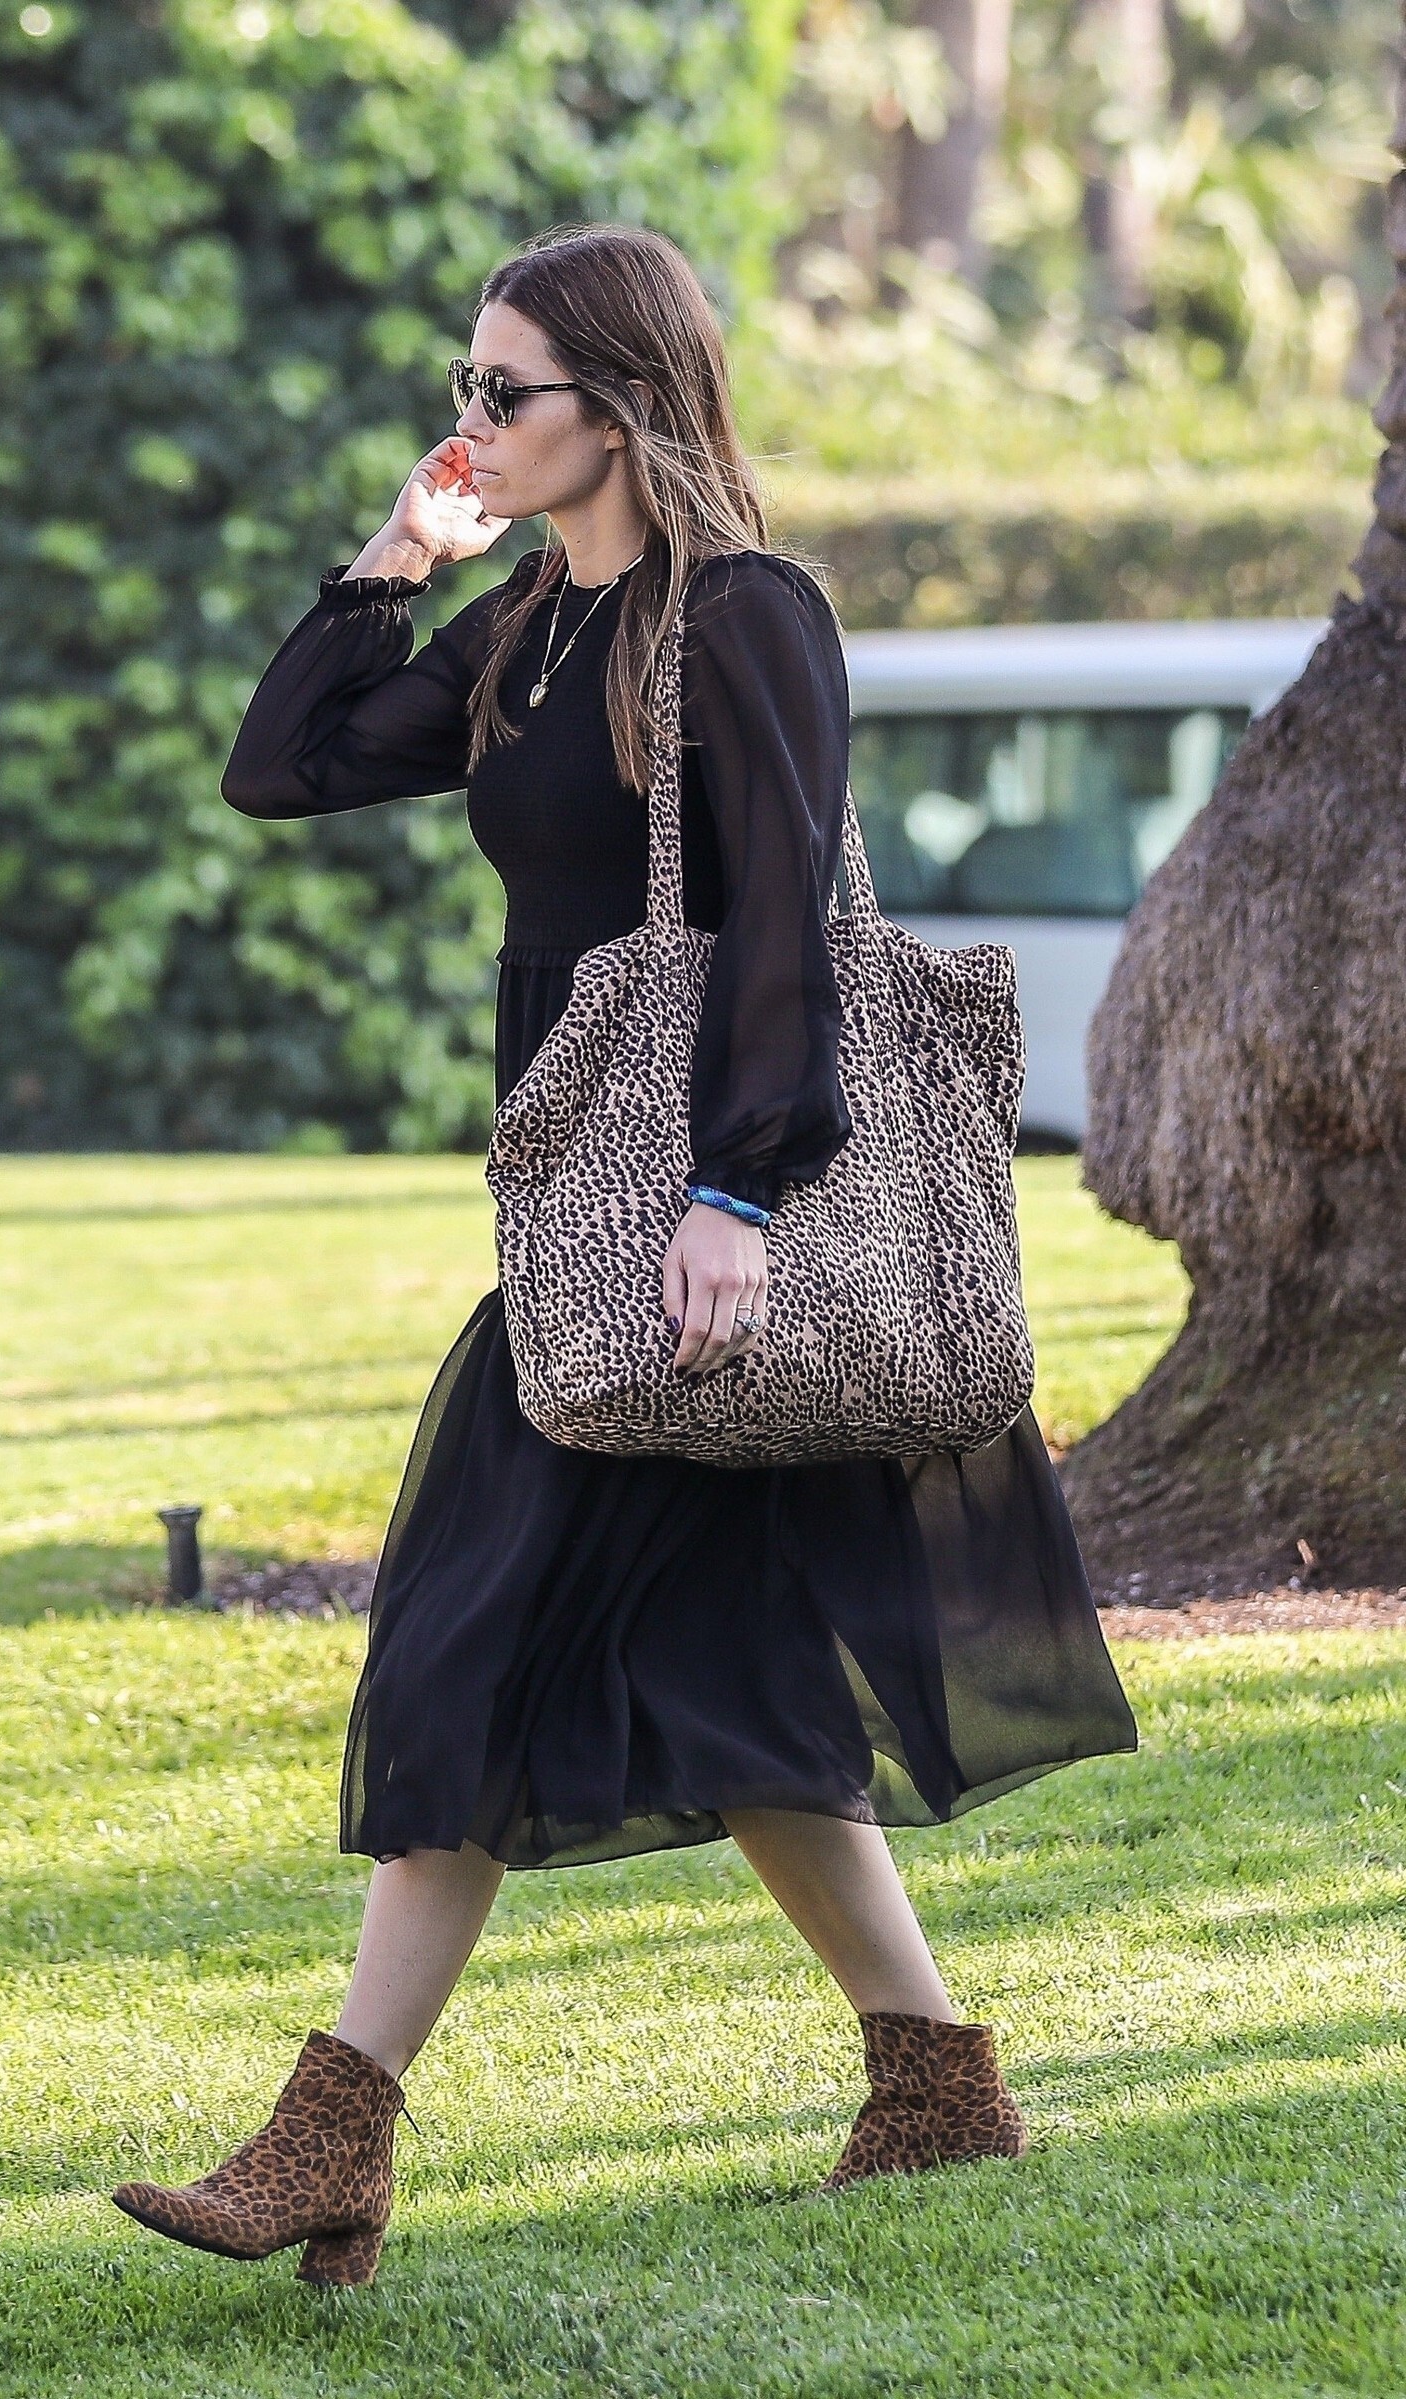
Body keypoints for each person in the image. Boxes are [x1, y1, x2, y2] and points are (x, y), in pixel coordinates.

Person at [110, 223, 1136, 2287]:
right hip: (584, 1221)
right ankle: (936, 2078)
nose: (472, 425)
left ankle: (333, 2133)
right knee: (727, 1680)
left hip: (688, 1237)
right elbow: (281, 768)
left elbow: (787, 921)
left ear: (630, 402)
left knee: (459, 1641)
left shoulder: (743, 615)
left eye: (509, 394)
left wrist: (737, 1195)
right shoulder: (525, 630)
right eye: (464, 388)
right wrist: (399, 556)